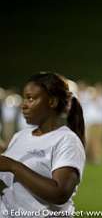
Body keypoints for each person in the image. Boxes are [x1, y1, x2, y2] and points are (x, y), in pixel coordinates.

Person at [0, 72, 86, 215]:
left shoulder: (67, 140)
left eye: (31, 98)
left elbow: (60, 193)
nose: (23, 105)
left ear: (52, 102)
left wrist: (12, 166)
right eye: (24, 98)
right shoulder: (20, 136)